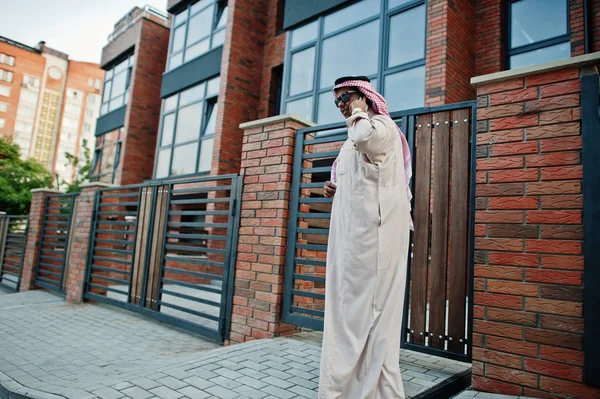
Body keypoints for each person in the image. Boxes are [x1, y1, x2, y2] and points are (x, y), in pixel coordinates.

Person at [318, 76, 413, 399]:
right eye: (338, 102)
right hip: (350, 244)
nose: (342, 106)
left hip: (373, 243)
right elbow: (352, 173)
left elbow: (367, 142)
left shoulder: (380, 127)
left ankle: (365, 391)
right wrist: (333, 186)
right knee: (347, 316)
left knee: (365, 318)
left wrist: (359, 112)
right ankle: (352, 389)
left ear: (366, 96)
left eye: (347, 98)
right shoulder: (354, 136)